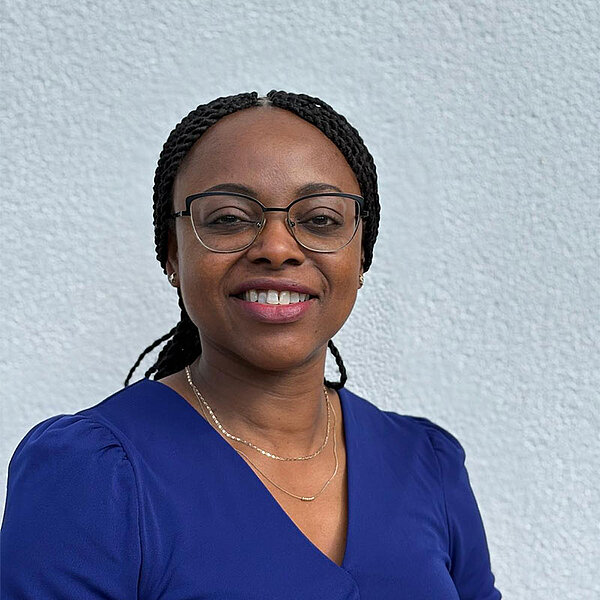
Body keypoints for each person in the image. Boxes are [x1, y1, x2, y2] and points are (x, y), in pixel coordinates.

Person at [1, 90, 502, 599]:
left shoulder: (427, 463)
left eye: (320, 219)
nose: (277, 249)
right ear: (172, 254)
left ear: (361, 253)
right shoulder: (91, 474)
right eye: (229, 218)